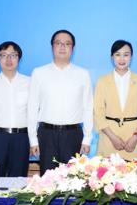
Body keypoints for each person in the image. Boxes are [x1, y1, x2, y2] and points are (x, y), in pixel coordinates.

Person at [28, 30, 93, 175]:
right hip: (46, 135)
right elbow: (32, 108)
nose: (62, 47)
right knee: (48, 181)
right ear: (52, 47)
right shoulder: (39, 73)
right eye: (58, 43)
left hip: (73, 135)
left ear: (73, 48)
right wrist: (33, 140)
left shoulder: (83, 74)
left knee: (73, 180)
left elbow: (88, 107)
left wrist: (87, 139)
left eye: (67, 44)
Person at [0, 41, 36, 177]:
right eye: (4, 55)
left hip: (21, 138)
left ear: (19, 58)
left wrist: (33, 141)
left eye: (13, 55)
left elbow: (34, 114)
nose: (9, 59)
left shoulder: (30, 82)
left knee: (18, 180)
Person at [94, 40, 137, 161]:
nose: (122, 59)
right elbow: (98, 113)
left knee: (135, 172)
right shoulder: (102, 81)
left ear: (131, 57)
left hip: (134, 138)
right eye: (118, 54)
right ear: (112, 57)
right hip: (109, 138)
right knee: (107, 172)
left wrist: (136, 137)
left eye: (126, 54)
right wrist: (113, 137)